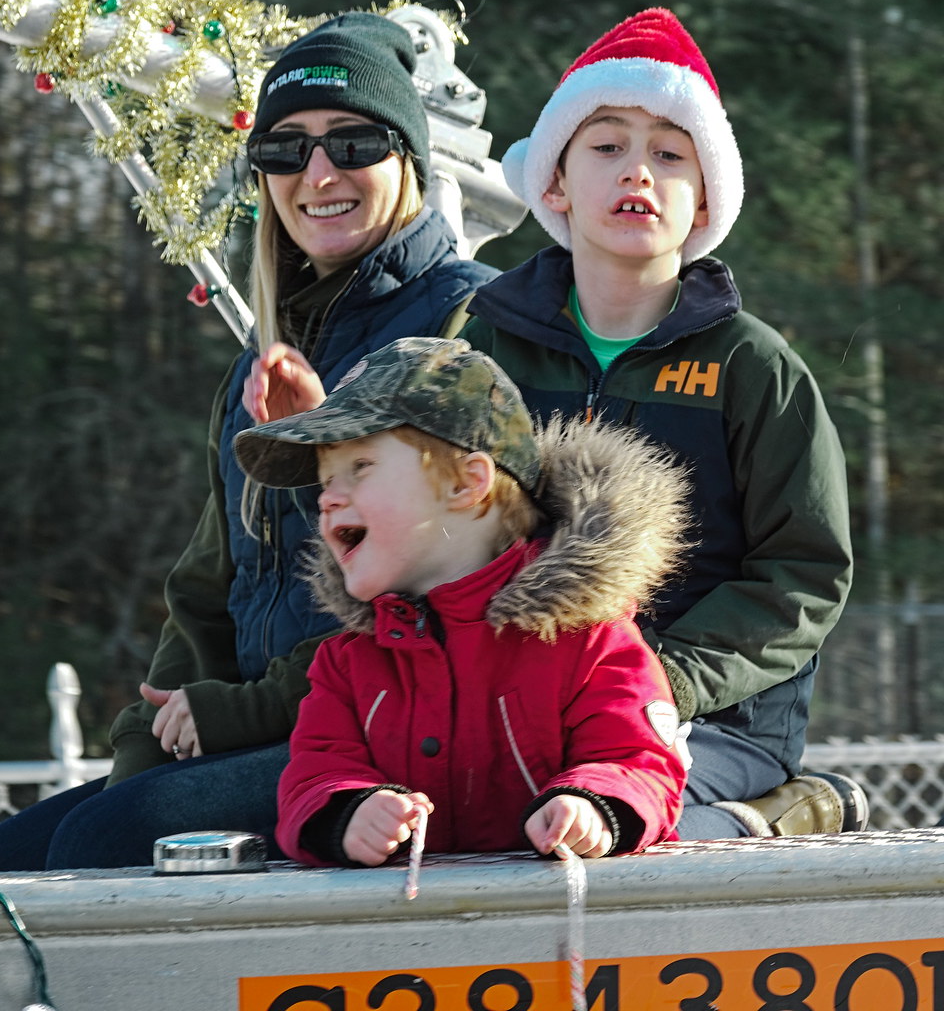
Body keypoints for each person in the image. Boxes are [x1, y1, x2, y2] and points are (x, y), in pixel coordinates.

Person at [0, 12, 497, 871]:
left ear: (410, 157)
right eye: (284, 151)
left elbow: (450, 585)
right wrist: (145, 742)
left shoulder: (470, 325)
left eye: (353, 142)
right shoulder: (267, 349)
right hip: (266, 728)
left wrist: (237, 714)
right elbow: (212, 585)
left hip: (398, 737)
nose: (318, 172)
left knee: (94, 845)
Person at [456, 7, 864, 839]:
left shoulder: (756, 367)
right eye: (607, 146)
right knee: (476, 823)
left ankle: (773, 816)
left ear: (706, 192)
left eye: (670, 154)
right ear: (557, 181)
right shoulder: (480, 346)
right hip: (520, 697)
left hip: (711, 713)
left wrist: (662, 678)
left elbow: (803, 573)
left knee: (616, 831)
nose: (637, 170)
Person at [233, 336, 691, 866]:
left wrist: (590, 805)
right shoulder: (346, 663)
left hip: (567, 926)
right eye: (326, 479)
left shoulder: (590, 640)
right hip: (401, 933)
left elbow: (637, 760)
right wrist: (351, 809)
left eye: (360, 467)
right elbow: (314, 773)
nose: (328, 497)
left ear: (467, 484)